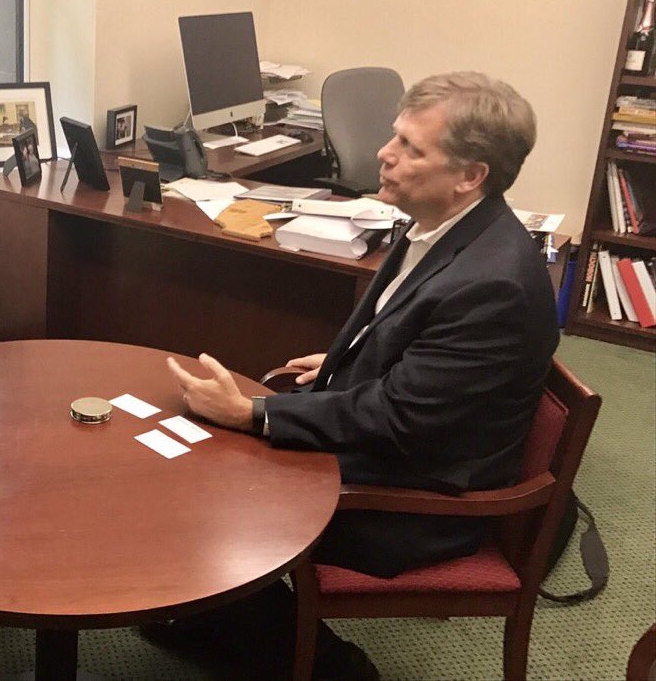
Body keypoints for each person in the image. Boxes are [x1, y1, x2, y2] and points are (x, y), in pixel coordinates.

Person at [164, 71, 559, 679]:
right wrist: (346, 358)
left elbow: (399, 419)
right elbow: (417, 344)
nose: (383, 153)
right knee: (206, 456)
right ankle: (219, 622)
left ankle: (331, 667)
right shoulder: (446, 225)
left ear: (470, 175)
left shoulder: (493, 285)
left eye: (410, 147)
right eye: (394, 136)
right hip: (404, 444)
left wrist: (253, 413)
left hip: (417, 503)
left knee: (214, 484)